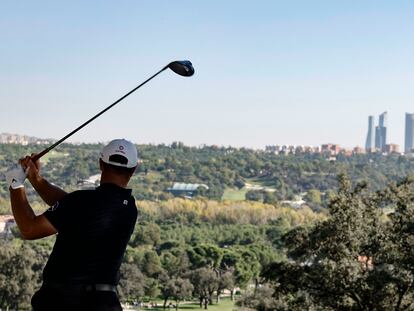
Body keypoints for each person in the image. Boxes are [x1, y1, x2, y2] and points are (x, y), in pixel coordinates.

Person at [6, 138, 139, 311]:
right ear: (134, 170)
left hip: (63, 302)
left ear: (101, 163)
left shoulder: (81, 203)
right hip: (106, 303)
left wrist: (16, 185)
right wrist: (36, 179)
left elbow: (29, 229)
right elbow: (72, 207)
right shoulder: (129, 208)